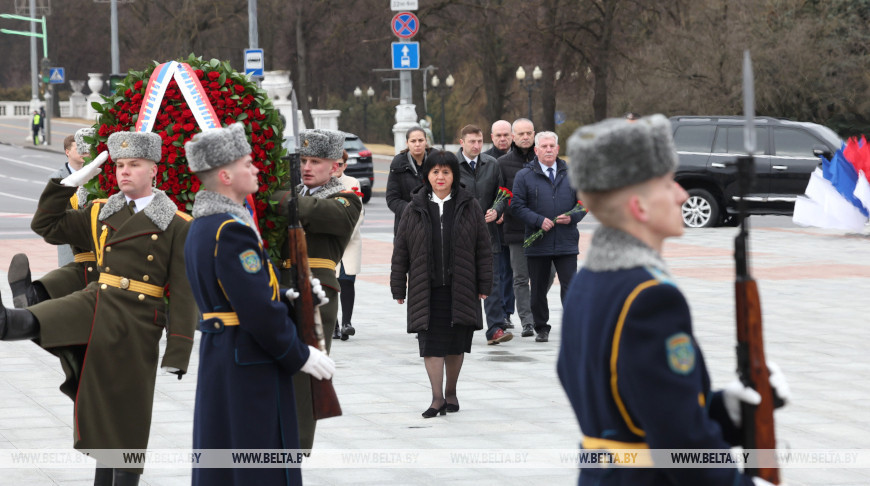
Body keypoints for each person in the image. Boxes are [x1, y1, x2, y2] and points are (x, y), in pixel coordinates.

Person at [557, 115, 789, 486]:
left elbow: (638, 408)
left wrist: (724, 409)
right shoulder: (651, 298)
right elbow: (679, 439)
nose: (682, 195)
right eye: (668, 184)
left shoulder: (587, 281)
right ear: (640, 207)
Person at [0, 130, 197, 485]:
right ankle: (20, 310)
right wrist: (69, 182)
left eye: (134, 165)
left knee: (126, 417)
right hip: (97, 301)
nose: (124, 172)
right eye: (120, 165)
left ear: (154, 169)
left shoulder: (178, 224)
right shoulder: (99, 211)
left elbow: (184, 291)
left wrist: (178, 350)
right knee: (18, 324)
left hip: (138, 321)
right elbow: (45, 225)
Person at [183, 123, 335, 486]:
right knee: (260, 462)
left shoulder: (204, 226)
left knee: (226, 459)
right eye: (247, 164)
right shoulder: (231, 231)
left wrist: (287, 296)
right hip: (248, 360)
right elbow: (257, 311)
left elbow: (235, 292)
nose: (254, 170)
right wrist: (299, 354)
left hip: (224, 354)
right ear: (225, 175)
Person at [272, 128, 361, 451]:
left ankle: (296, 446)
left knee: (304, 376)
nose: (307, 167)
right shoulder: (290, 192)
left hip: (317, 295)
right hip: (279, 288)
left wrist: (281, 197)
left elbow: (317, 213)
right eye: (303, 160)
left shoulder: (347, 199)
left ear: (336, 167)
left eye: (316, 161)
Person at [391, 150, 492, 417]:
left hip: (462, 285)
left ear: (453, 176)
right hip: (427, 287)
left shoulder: (470, 206)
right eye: (435, 171)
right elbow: (401, 250)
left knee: (456, 342)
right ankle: (436, 398)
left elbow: (483, 247)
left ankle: (451, 392)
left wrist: (485, 284)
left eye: (446, 172)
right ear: (427, 175)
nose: (440, 176)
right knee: (431, 342)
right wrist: (398, 286)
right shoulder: (414, 208)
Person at [7, 128, 99, 402]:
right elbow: (50, 224)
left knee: (69, 328)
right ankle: (27, 309)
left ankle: (27, 308)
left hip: (95, 268)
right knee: (71, 326)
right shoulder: (69, 182)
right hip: (82, 262)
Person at [511, 131, 585, 343]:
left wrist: (572, 218)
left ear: (558, 149)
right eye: (544, 146)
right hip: (538, 241)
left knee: (570, 286)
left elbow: (584, 203)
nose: (549, 149)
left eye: (552, 146)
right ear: (536, 150)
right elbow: (516, 205)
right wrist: (537, 220)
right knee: (538, 289)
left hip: (567, 241)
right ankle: (541, 327)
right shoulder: (524, 176)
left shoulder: (572, 173)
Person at [456, 124, 512, 345]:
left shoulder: (492, 164)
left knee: (493, 282)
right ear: (462, 143)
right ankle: (462, 327)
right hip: (460, 235)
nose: (477, 145)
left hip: (489, 235)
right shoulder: (451, 166)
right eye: (472, 141)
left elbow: (503, 194)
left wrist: (497, 210)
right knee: (462, 282)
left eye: (479, 141)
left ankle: (495, 328)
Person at [497, 118, 538, 338]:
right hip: (516, 229)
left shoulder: (543, 159)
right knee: (520, 277)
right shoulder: (503, 163)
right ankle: (527, 321)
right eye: (520, 134)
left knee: (546, 274)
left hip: (543, 228)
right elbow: (502, 194)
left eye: (528, 133)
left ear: (534, 134)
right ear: (513, 137)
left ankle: (532, 307)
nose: (525, 137)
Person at [483, 120, 515, 329]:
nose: (502, 139)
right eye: (498, 135)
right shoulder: (486, 159)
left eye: (506, 135)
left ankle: (508, 310)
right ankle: (503, 313)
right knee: (500, 269)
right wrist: (495, 211)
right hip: (493, 224)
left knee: (513, 271)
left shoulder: (520, 155)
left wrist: (505, 210)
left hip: (515, 221)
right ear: (492, 137)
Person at [333, 149, 365, 341]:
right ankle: (334, 325)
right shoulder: (323, 183)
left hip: (349, 241)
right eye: (333, 164)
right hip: (329, 242)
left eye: (341, 164)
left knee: (347, 281)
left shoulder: (352, 183)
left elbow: (358, 213)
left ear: (345, 165)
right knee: (331, 283)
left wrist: (345, 234)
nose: (337, 167)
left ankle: (346, 323)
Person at [386, 126, 432, 234]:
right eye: (413, 141)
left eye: (421, 140)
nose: (417, 144)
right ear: (407, 143)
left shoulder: (436, 160)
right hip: (406, 226)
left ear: (426, 141)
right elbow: (392, 199)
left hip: (433, 224)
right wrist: (413, 211)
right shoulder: (398, 163)